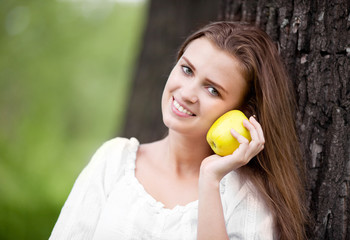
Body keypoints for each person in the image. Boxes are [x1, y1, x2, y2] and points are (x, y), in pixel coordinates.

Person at [49, 21, 307, 240]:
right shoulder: (115, 160)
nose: (186, 93)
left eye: (212, 89)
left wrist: (210, 180)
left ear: (240, 114)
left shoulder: (244, 196)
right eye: (187, 70)